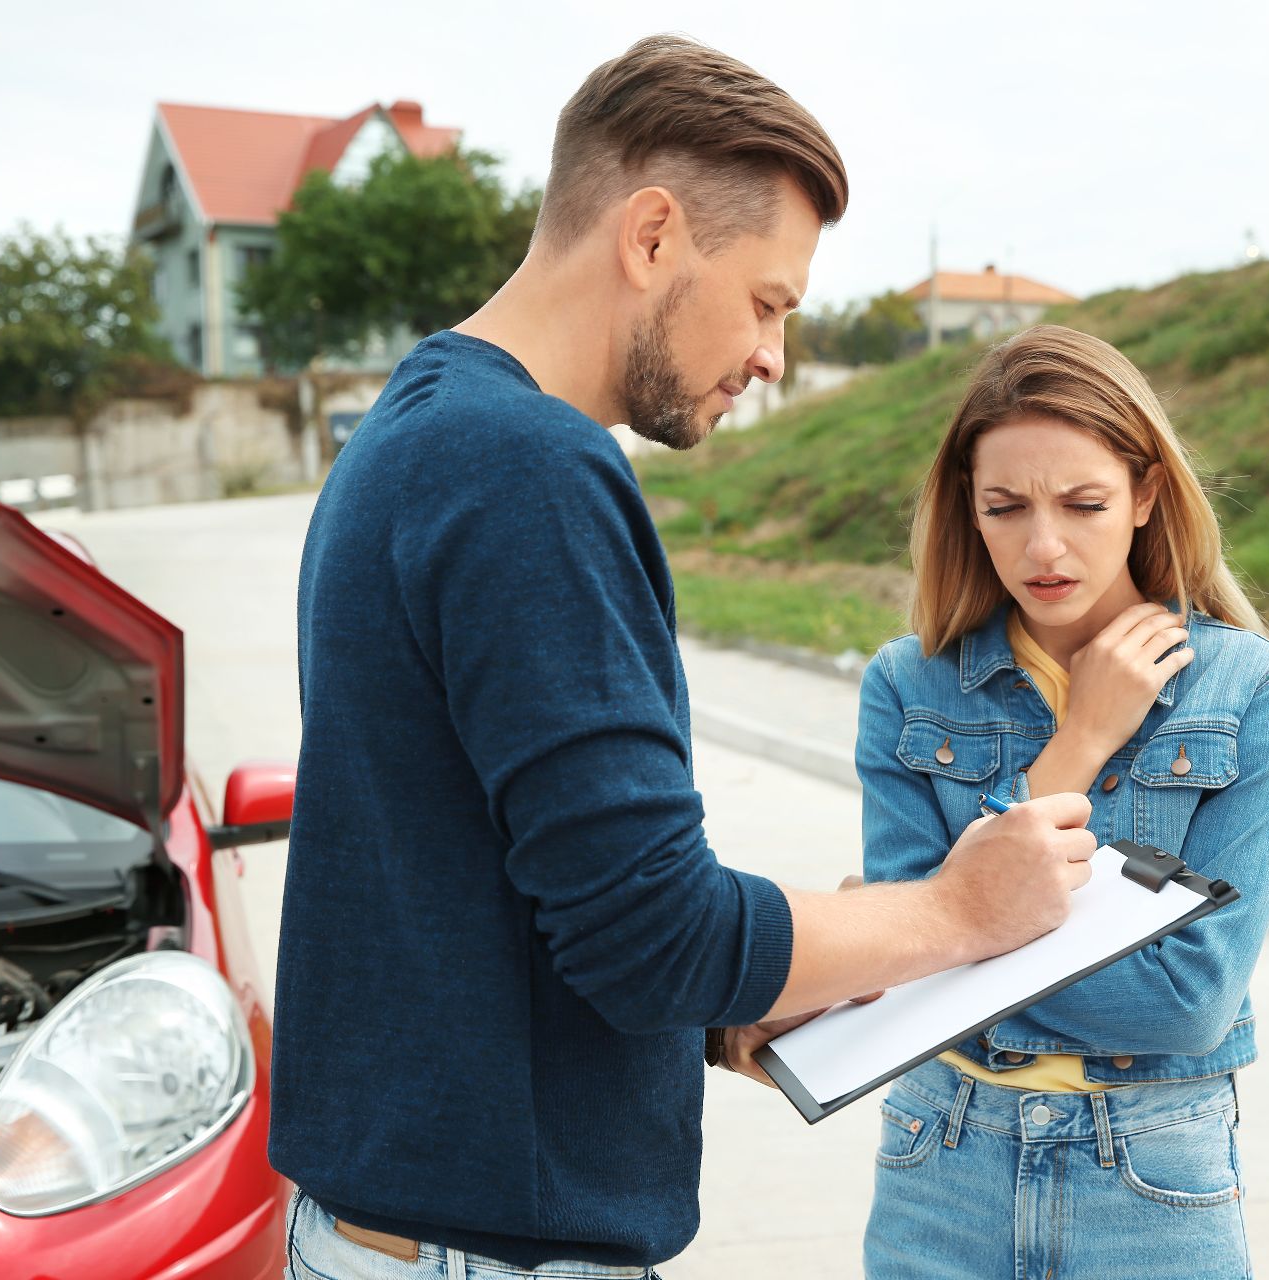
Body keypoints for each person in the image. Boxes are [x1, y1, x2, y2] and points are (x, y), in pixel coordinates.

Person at [269, 37, 1096, 1280]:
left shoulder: (413, 431)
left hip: (402, 1236)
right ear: (652, 236)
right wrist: (953, 912)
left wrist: (719, 1007)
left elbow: (501, 880)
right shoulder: (531, 469)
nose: (773, 358)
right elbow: (652, 927)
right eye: (768, 301)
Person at [856, 325, 1269, 1279]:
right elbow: (902, 972)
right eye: (1006, 507)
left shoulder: (1251, 690)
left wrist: (949, 938)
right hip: (943, 1160)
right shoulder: (909, 685)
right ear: (968, 513)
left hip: (1151, 1173)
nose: (1044, 545)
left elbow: (1190, 1003)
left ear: (1146, 494)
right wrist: (1082, 741)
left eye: (1084, 502)